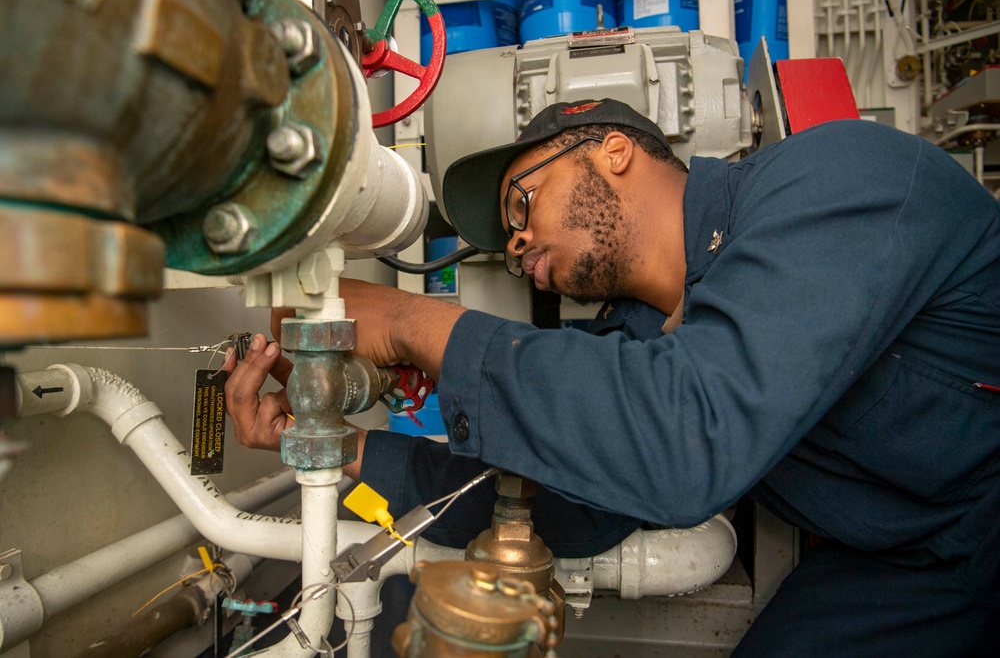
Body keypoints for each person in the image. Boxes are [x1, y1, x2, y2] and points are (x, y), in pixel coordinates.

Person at [225, 98, 1000, 655]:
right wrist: (333, 447)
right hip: (901, 561)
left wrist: (407, 321)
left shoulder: (834, 181)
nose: (519, 241)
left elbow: (691, 436)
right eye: (509, 240)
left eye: (522, 202)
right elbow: (557, 502)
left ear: (611, 148)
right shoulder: (638, 339)